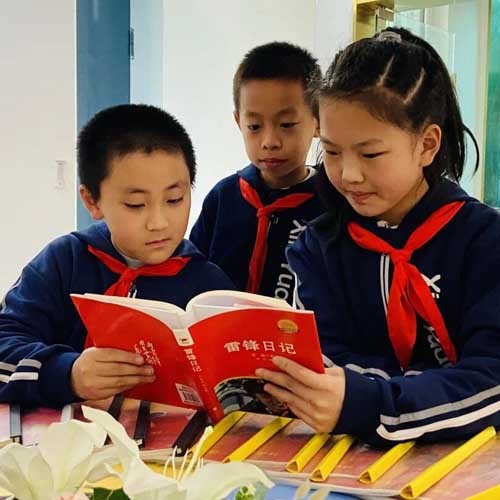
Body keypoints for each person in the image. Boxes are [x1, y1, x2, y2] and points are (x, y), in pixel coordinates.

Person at [256, 28, 500, 445]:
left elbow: (491, 378)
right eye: (332, 152)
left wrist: (373, 402)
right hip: (349, 461)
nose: (349, 174)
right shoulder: (317, 248)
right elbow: (326, 362)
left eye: (370, 154)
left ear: (426, 145)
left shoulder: (485, 242)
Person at [0, 104, 234, 407]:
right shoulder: (64, 262)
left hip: (176, 437)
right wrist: (69, 373)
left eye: (175, 199)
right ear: (92, 201)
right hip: (66, 434)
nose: (159, 222)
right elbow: (6, 340)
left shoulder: (209, 284)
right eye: (136, 205)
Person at [189, 42, 324, 304]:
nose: (269, 141)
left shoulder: (331, 204)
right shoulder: (224, 197)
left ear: (318, 121)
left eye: (287, 124)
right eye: (254, 126)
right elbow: (192, 271)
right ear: (238, 121)